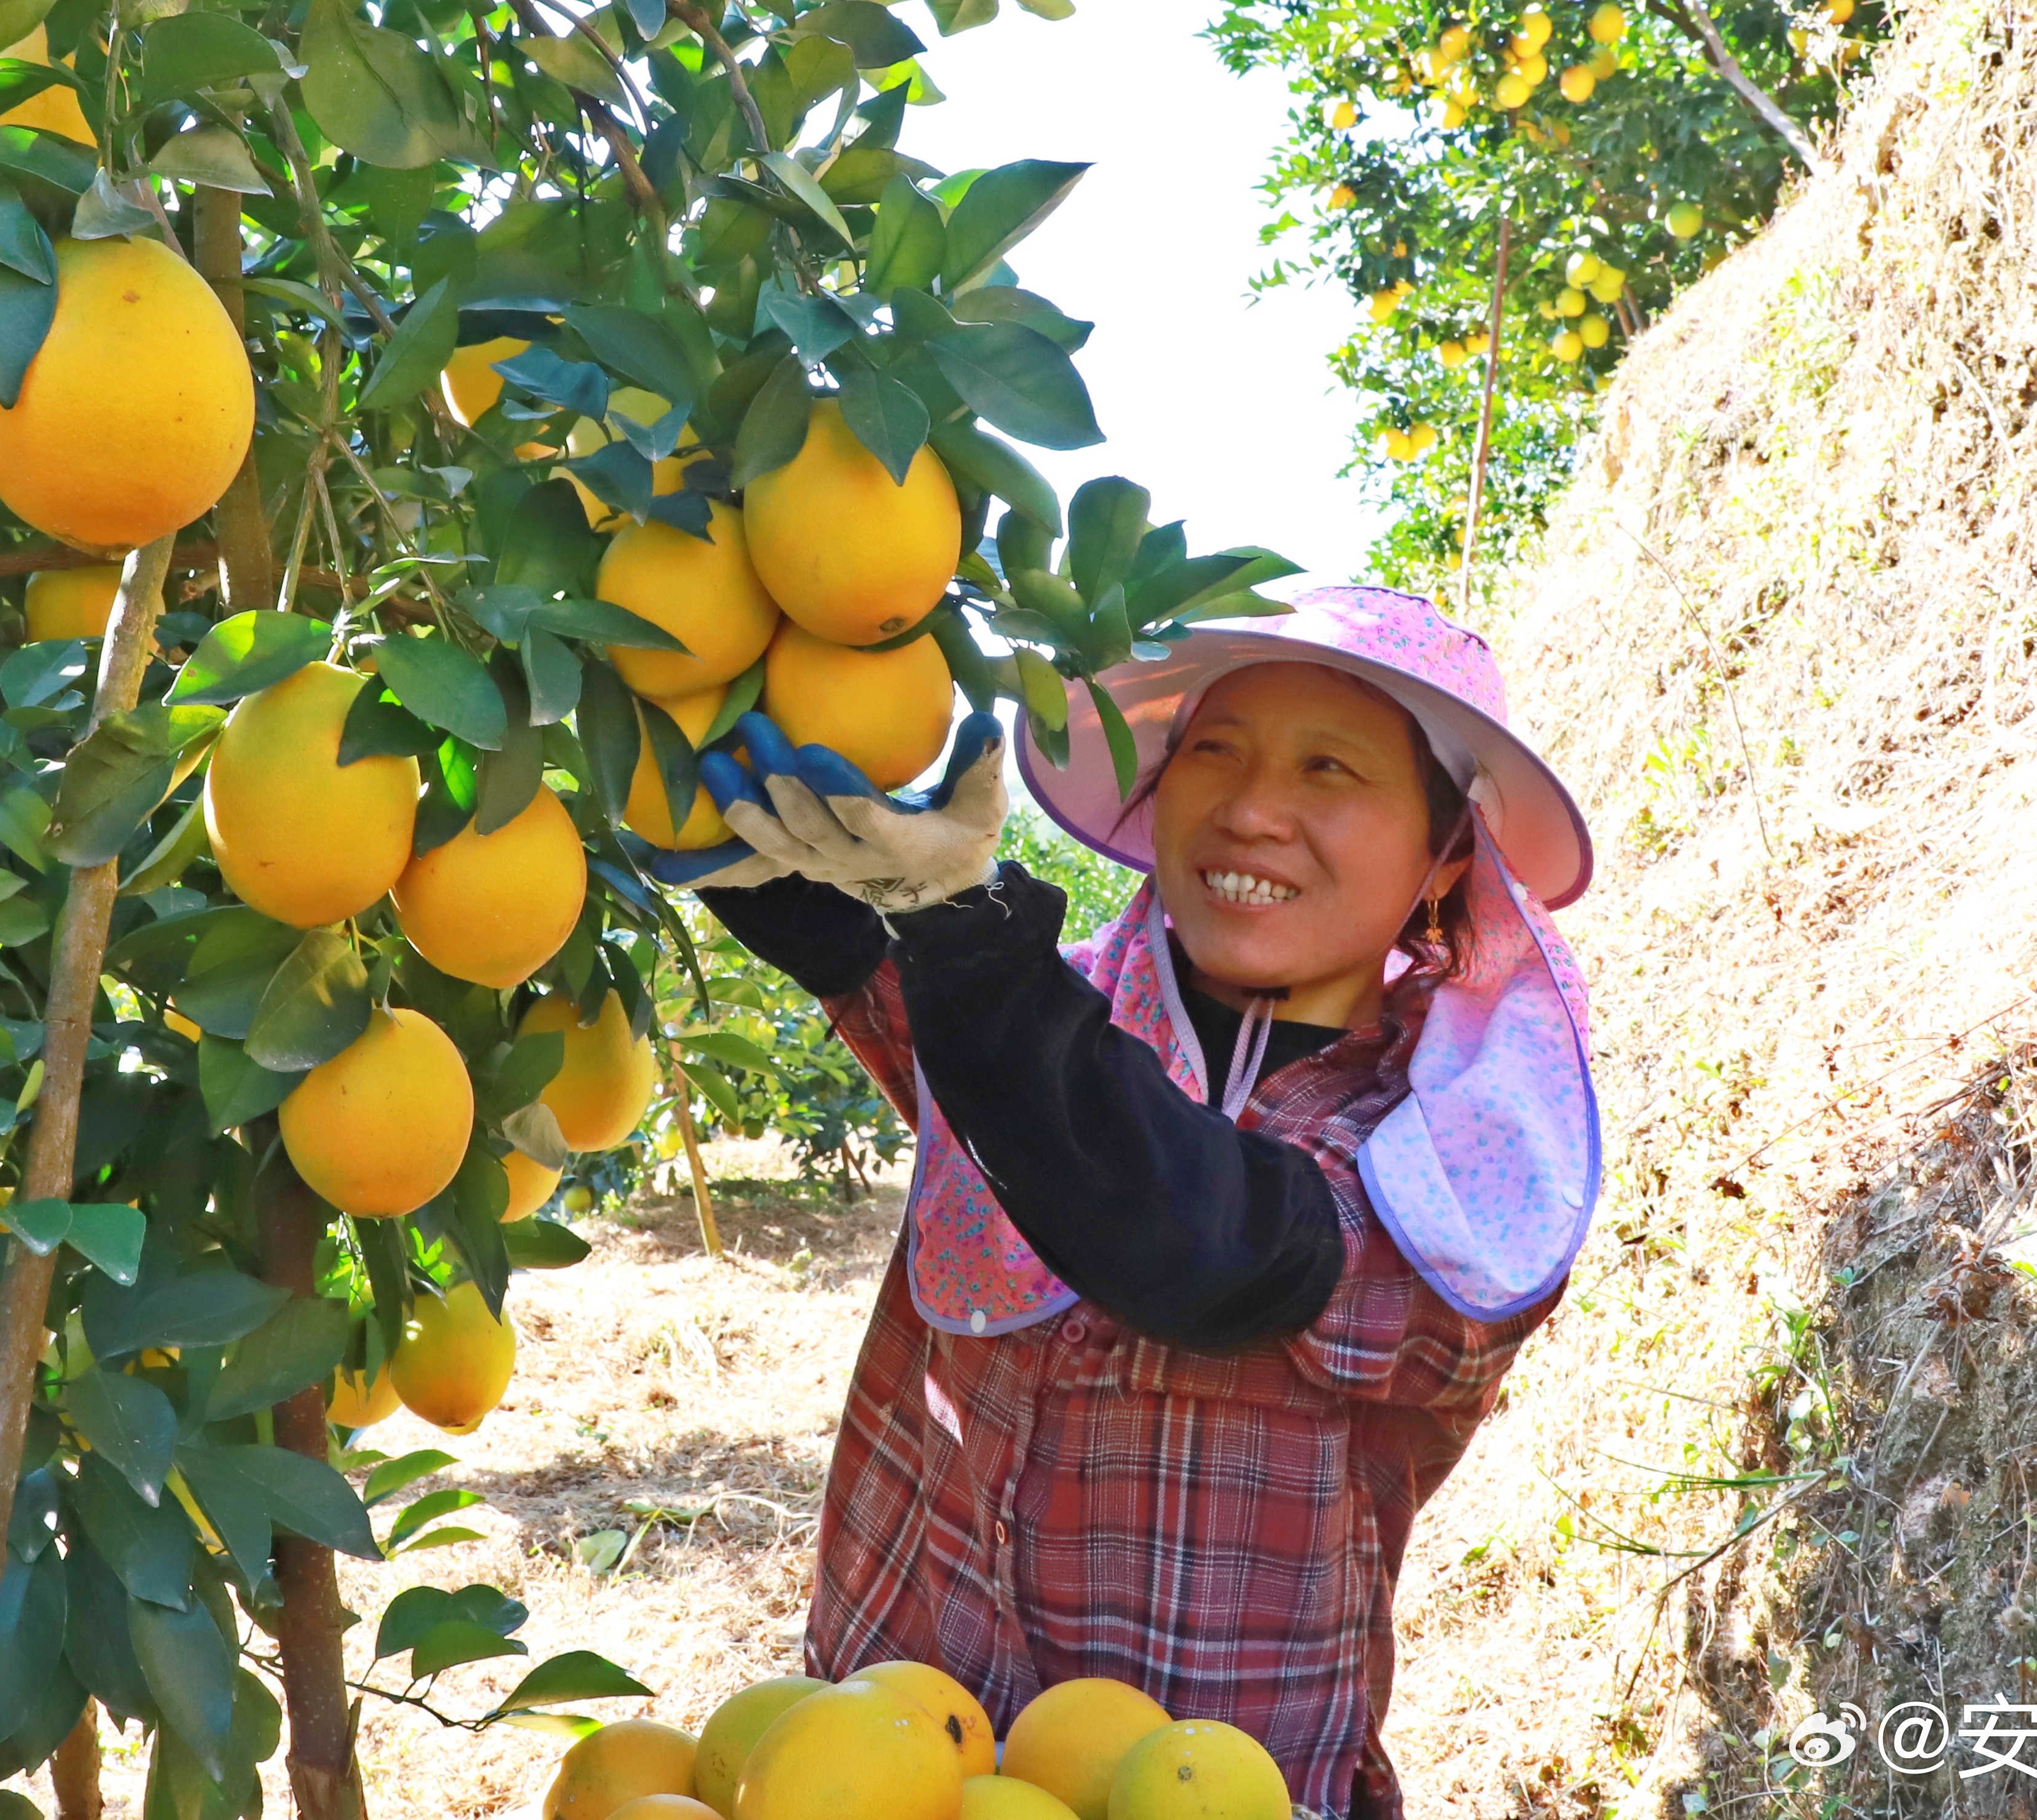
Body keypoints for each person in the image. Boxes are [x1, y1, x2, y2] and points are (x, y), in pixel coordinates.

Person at [651, 585, 1603, 1820]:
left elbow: (1213, 1246)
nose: (1253, 811)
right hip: (873, 1762)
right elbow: (889, 978)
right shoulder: (1058, 1020)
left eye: (1331, 769)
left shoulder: (1458, 1163)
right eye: (1215, 751)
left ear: (1445, 860)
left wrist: (966, 929)